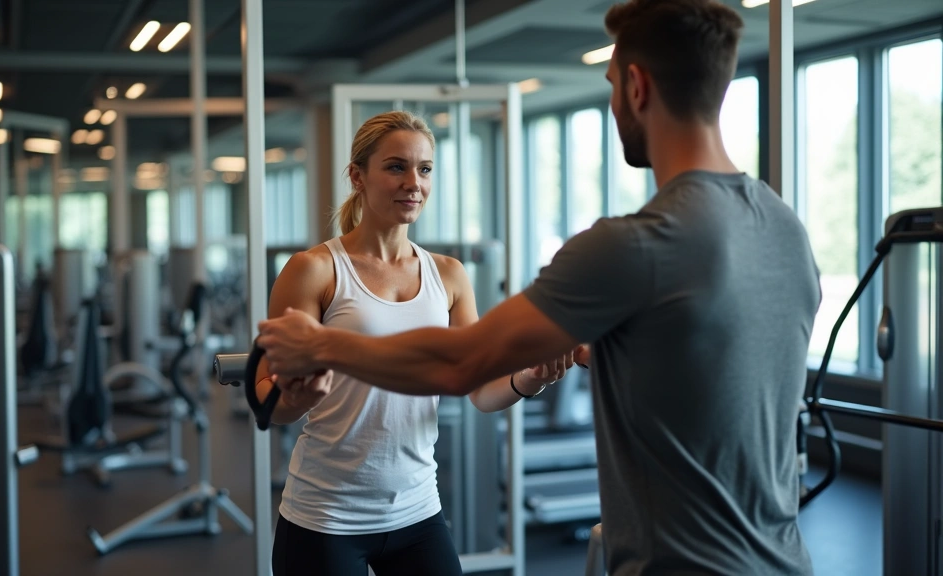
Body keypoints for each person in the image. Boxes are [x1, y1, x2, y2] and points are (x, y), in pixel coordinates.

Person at [257, 1, 822, 574]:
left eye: (611, 84)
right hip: (781, 559)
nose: (413, 182)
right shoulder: (784, 229)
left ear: (636, 86)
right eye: (397, 167)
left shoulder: (628, 245)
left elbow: (460, 365)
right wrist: (571, 360)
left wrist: (321, 344)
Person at [257, 110, 580, 576]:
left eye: (424, 169)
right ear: (357, 176)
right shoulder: (315, 270)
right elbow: (268, 400)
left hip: (418, 509)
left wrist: (529, 379)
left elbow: (480, 388)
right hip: (326, 516)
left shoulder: (448, 275)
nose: (414, 183)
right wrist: (296, 398)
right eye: (396, 167)